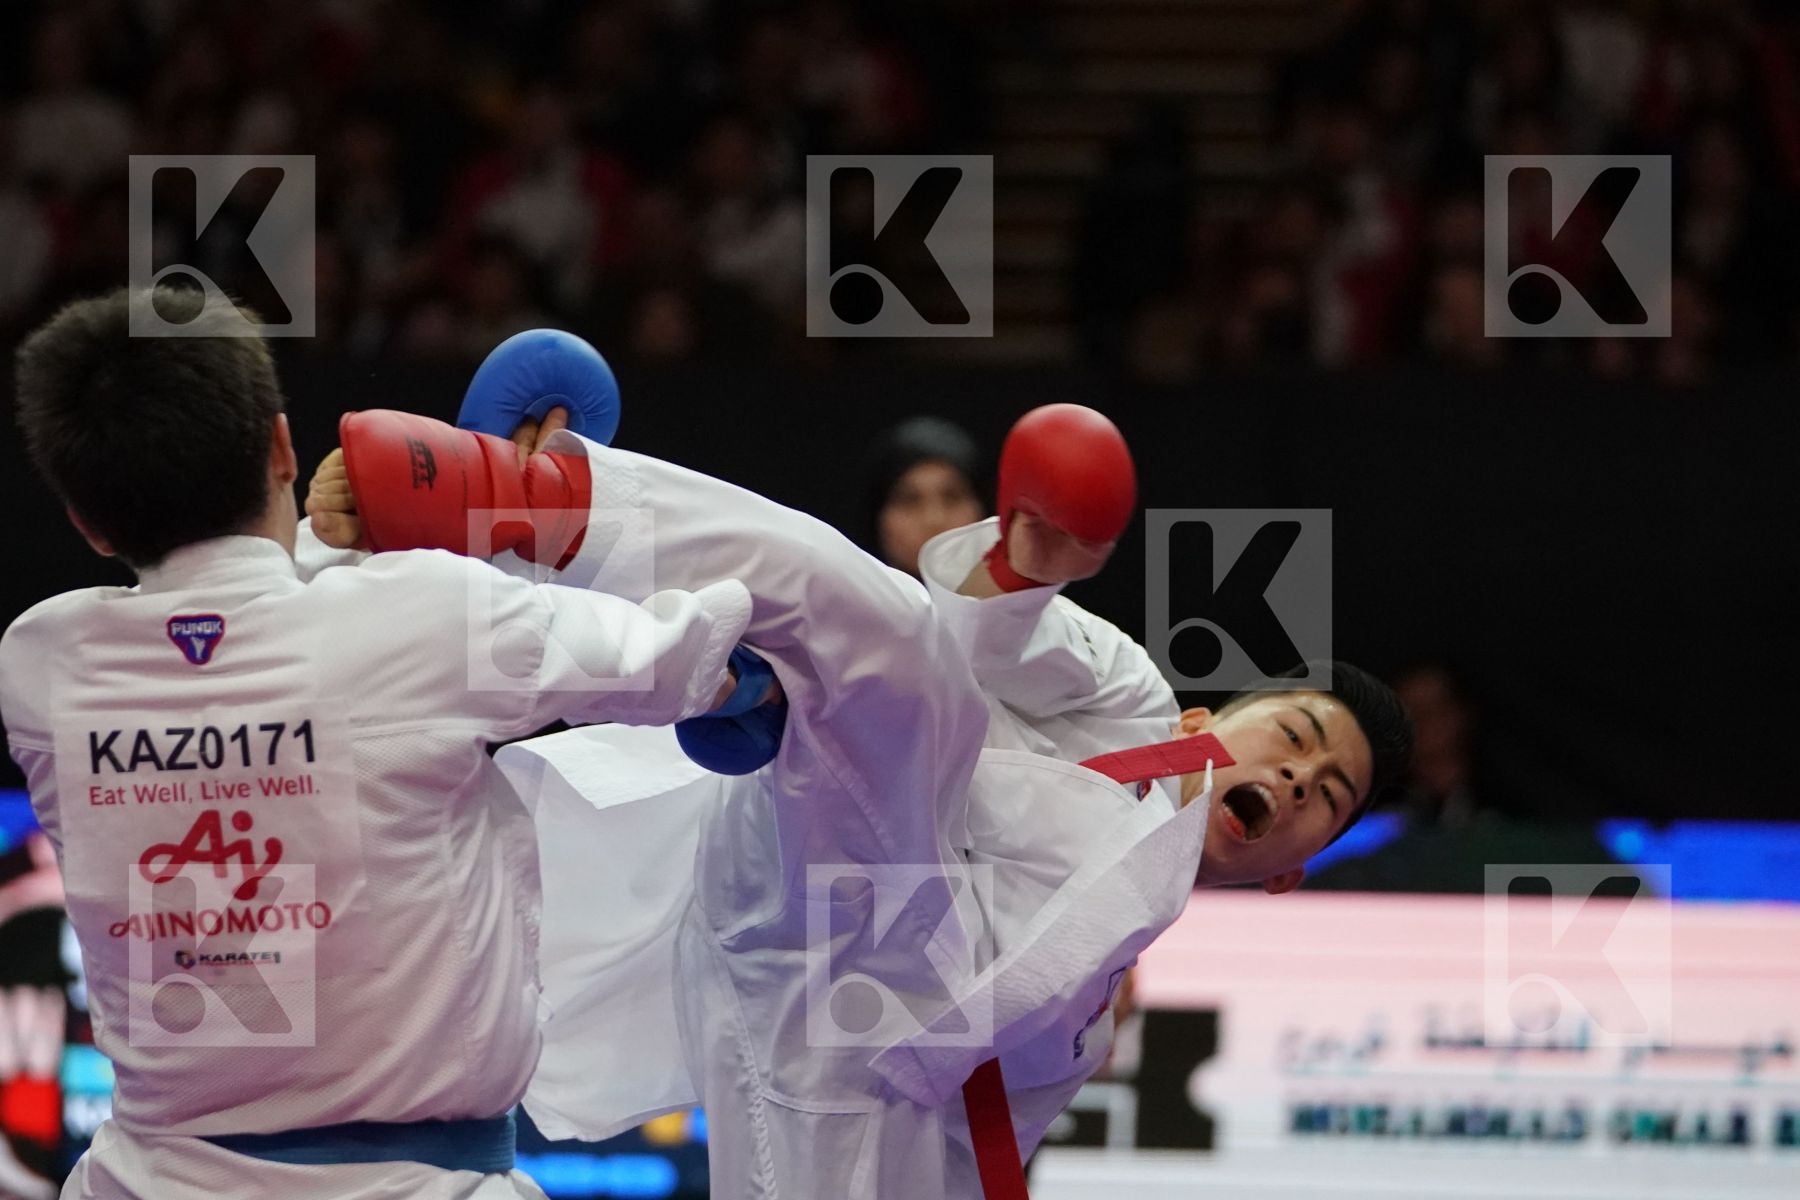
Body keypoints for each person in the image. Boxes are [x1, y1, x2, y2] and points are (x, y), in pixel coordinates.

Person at [308, 400, 1412, 1198]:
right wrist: (1028, 564)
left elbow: (956, 1142)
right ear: (1202, 724)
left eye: (1326, 793)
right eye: (1298, 735)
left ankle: (751, 684)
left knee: (883, 646)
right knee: (882, 621)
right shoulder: (1127, 691)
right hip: (826, 851)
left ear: (1288, 874)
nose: (1294, 777)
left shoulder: (1090, 1022)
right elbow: (991, 635)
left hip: (833, 1046)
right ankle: (523, 501)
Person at [0, 286, 754, 1200]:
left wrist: (340, 540)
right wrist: (518, 503)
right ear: (282, 447)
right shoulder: (429, 616)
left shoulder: (40, 664)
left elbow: (242, 629)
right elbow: (692, 659)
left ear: (86, 521)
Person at [861, 416, 987, 577]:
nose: (934, 520)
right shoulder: (839, 601)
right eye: (909, 501)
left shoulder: (1023, 600)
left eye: (952, 498)